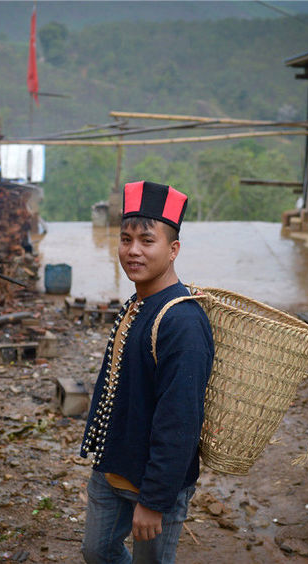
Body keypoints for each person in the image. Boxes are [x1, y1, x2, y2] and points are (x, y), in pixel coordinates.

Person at [80, 180, 214, 564]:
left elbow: (180, 420)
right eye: (125, 239)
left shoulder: (182, 321)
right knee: (98, 551)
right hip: (113, 468)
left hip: (155, 484)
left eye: (146, 240)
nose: (132, 251)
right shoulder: (138, 303)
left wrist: (154, 502)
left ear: (173, 250)